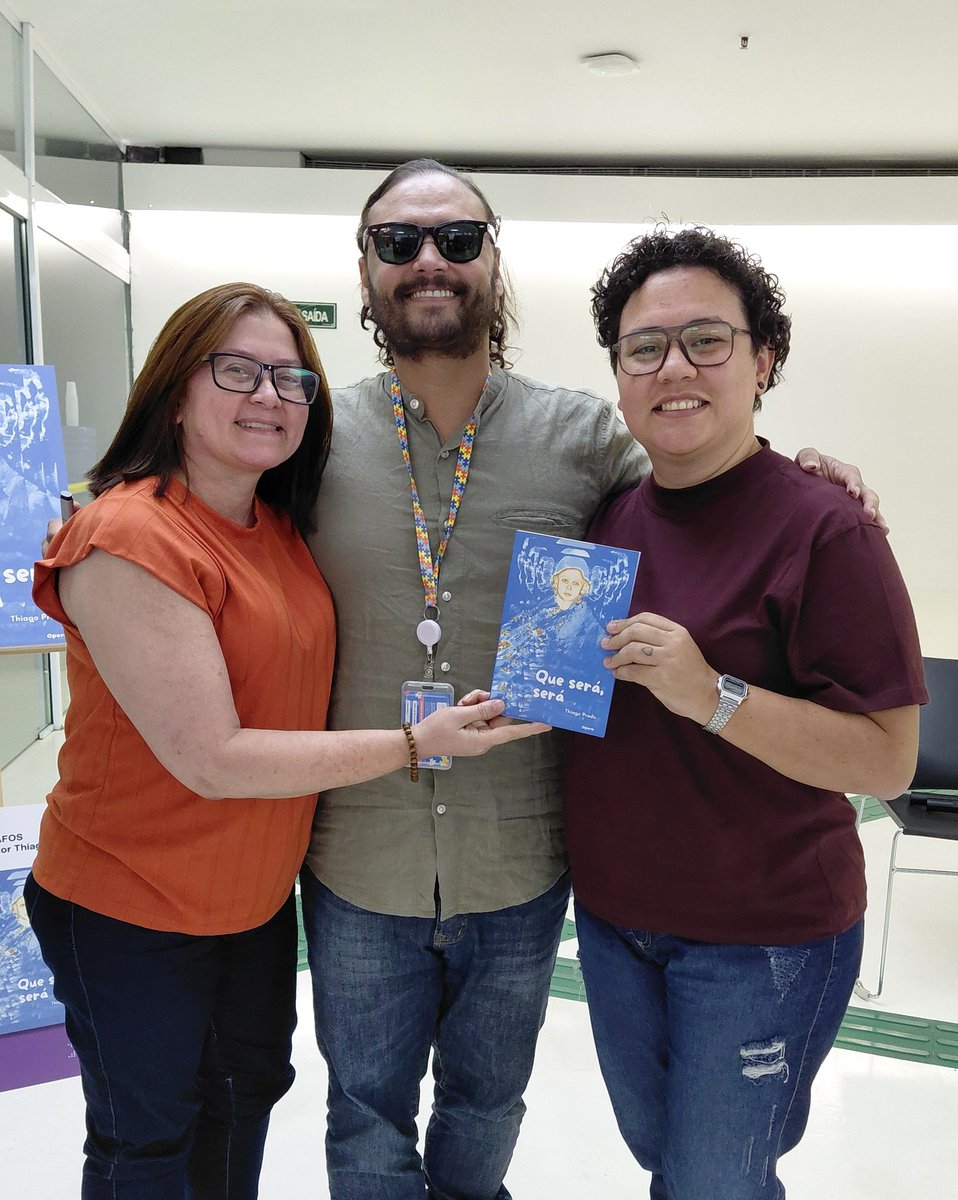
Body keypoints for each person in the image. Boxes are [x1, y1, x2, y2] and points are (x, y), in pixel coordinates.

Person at [297, 159, 886, 1200]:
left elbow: (705, 465)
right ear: (365, 268)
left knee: (490, 1107)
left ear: (494, 262)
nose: (430, 259)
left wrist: (810, 475)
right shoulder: (313, 440)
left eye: (458, 239)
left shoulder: (582, 438)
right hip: (361, 854)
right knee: (363, 1114)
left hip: (521, 861)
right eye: (398, 240)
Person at [25, 281, 545, 1200]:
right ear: (174, 390)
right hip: (131, 902)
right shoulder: (130, 536)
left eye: (291, 379)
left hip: (253, 901)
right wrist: (416, 742)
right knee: (148, 1143)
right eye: (237, 371)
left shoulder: (274, 523)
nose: (268, 395)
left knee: (242, 1099)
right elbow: (213, 758)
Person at [563, 227, 927, 1200]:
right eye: (645, 347)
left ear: (763, 361)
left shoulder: (827, 529)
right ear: (619, 376)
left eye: (707, 340)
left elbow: (887, 762)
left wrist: (709, 694)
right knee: (666, 1159)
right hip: (613, 922)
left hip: (762, 938)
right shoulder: (608, 517)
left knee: (713, 1183)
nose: (674, 367)